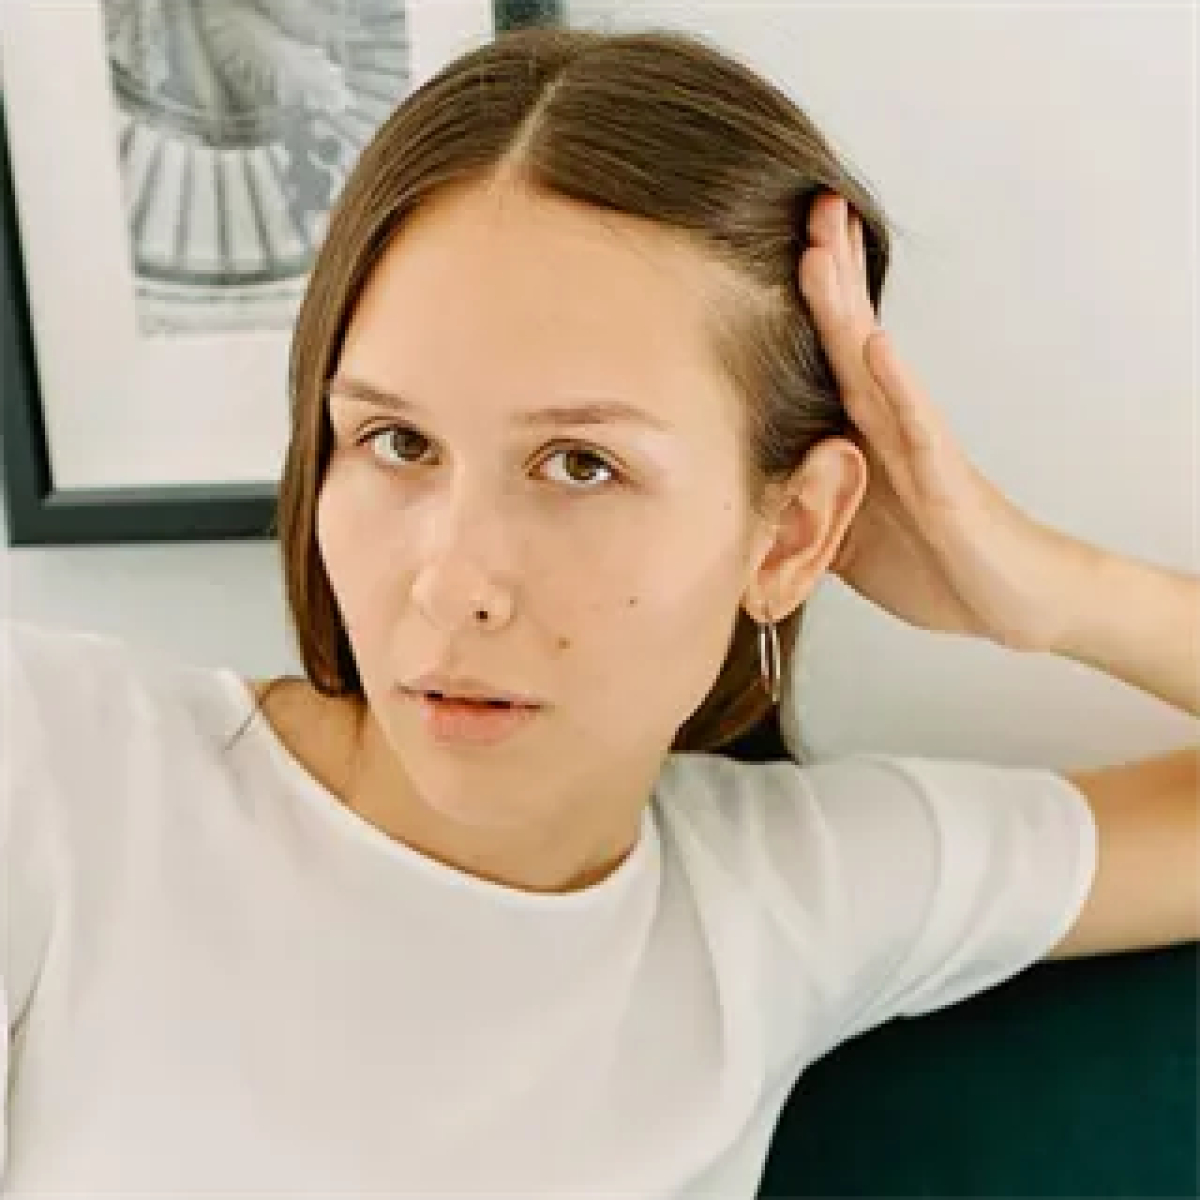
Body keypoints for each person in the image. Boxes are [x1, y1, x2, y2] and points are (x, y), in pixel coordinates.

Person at [3, 22, 1195, 1198]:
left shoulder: (781, 896)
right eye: (396, 441)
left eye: (581, 465)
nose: (452, 583)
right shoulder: (57, 769)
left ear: (791, 532)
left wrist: (1043, 588)